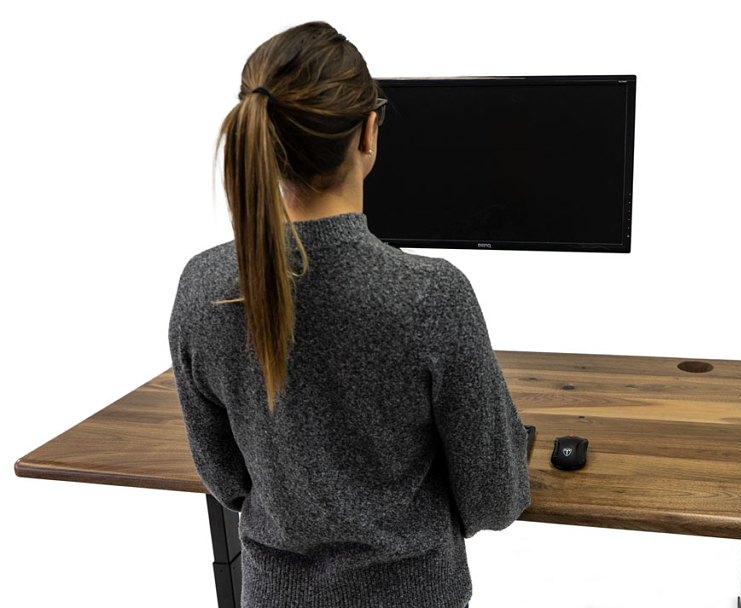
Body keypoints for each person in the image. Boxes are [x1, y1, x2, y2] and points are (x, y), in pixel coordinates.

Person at [168, 20, 529, 608]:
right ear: (368, 133)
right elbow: (494, 499)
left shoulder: (202, 285)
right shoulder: (431, 296)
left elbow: (227, 480)